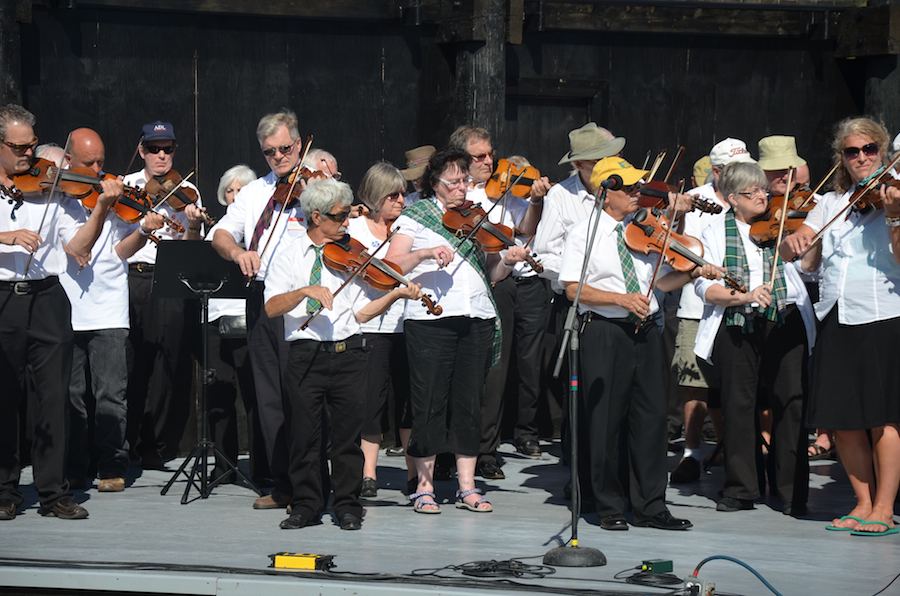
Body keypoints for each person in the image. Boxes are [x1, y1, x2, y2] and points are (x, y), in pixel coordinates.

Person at [265, 178, 421, 530]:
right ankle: (306, 504)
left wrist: (395, 295)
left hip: (350, 352)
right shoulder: (288, 256)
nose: (346, 223)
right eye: (339, 217)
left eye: (348, 215)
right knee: (305, 436)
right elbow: (273, 307)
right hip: (306, 354)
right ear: (316, 217)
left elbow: (361, 314)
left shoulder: (352, 253)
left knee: (347, 437)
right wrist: (304, 291)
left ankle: (348, 504)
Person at [559, 156, 705, 531]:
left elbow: (660, 283)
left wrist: (691, 273)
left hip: (647, 329)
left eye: (639, 187)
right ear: (606, 192)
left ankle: (652, 505)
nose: (638, 194)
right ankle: (609, 505)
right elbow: (573, 288)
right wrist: (620, 300)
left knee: (652, 419)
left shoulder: (641, 230)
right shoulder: (584, 233)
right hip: (606, 332)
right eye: (629, 188)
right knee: (605, 421)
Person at [385, 147, 528, 513]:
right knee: (429, 401)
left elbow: (492, 275)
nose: (463, 186)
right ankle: (425, 487)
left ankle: (468, 487)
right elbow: (390, 266)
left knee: (469, 403)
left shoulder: (476, 217)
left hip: (476, 316)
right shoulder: (414, 217)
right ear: (435, 184)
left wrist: (507, 263)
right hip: (431, 322)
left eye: (465, 179)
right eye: (455, 181)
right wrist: (423, 254)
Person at [780, 117, 900, 534]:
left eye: (869, 149)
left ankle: (884, 508)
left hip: (882, 312)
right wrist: (796, 243)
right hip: (835, 312)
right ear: (842, 158)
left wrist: (895, 214)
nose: (862, 157)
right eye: (852, 152)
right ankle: (862, 502)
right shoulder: (831, 204)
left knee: (884, 417)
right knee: (844, 418)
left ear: (883, 151)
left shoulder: (893, 197)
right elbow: (805, 257)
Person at [0, 105, 117, 520]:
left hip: (48, 297)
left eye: (32, 145)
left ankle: (53, 492)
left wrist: (101, 208)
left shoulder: (51, 190)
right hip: (3, 299)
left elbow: (79, 246)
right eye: (19, 147)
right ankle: (5, 490)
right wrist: (6, 235)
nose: (29, 155)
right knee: (5, 396)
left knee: (54, 397)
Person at [694, 161, 815, 516]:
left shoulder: (785, 224)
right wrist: (744, 296)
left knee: (790, 404)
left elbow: (809, 270)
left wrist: (806, 246)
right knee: (738, 404)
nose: (763, 196)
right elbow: (706, 287)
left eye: (764, 189)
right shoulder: (715, 232)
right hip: (735, 322)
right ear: (733, 198)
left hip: (786, 318)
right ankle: (741, 488)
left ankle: (791, 490)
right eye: (753, 192)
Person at [211, 109, 308, 509]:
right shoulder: (253, 194)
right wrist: (237, 252)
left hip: (303, 299)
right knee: (268, 396)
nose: (280, 157)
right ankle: (283, 484)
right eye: (270, 152)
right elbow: (221, 234)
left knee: (302, 395)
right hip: (263, 297)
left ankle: (312, 482)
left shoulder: (317, 187)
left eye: (285, 149)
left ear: (299, 145)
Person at [60, 128, 165, 492]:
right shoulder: (59, 201)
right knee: (72, 394)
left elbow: (120, 251)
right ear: (69, 161)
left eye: (101, 161)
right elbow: (79, 247)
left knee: (111, 392)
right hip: (68, 306)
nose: (98, 169)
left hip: (109, 306)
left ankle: (112, 466)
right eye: (89, 163)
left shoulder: (112, 196)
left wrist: (145, 231)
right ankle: (74, 466)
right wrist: (102, 206)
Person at [449, 126, 550, 479]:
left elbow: (526, 227)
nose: (489, 161)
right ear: (462, 159)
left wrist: (535, 200)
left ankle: (486, 451)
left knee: (497, 372)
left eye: (490, 153)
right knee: (457, 371)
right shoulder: (453, 192)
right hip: (457, 284)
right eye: (480, 156)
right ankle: (452, 448)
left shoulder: (504, 191)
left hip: (500, 283)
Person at [123, 120, 204, 470]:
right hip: (131, 277)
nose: (161, 156)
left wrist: (194, 224)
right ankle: (120, 441)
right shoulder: (126, 187)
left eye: (168, 149)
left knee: (166, 364)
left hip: (170, 279)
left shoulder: (187, 192)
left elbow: (192, 249)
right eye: (154, 149)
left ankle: (153, 444)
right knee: (128, 361)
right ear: (142, 151)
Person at [669, 139, 750, 484]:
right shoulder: (695, 199)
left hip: (737, 302)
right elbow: (675, 247)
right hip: (696, 304)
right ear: (716, 172)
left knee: (738, 384)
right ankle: (691, 453)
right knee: (694, 382)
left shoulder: (749, 195)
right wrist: (680, 215)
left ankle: (737, 451)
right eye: (732, 169)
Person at [347, 161, 414, 497]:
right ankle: (368, 473)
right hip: (371, 325)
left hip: (407, 323)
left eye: (403, 194)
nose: (401, 200)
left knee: (408, 402)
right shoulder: (355, 231)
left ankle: (414, 473)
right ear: (375, 196)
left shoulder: (408, 229)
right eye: (393, 195)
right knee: (371, 402)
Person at [205, 164, 266, 484]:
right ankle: (223, 466)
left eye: (241, 190)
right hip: (216, 320)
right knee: (220, 394)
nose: (235, 196)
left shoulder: (261, 233)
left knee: (256, 396)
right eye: (230, 191)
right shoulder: (215, 233)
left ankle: (263, 467)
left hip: (249, 319)